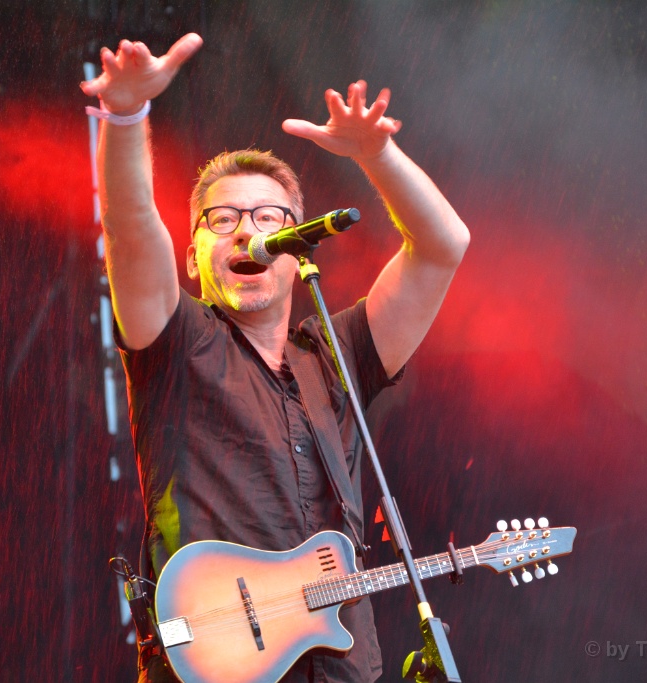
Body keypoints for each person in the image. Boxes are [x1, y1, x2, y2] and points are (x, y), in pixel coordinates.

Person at [81, 33, 470, 683]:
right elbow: (129, 228)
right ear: (192, 258)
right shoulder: (179, 343)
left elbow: (442, 246)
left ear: (297, 251)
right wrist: (126, 116)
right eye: (223, 219)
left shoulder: (337, 353)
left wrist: (376, 154)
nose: (247, 230)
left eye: (269, 217)